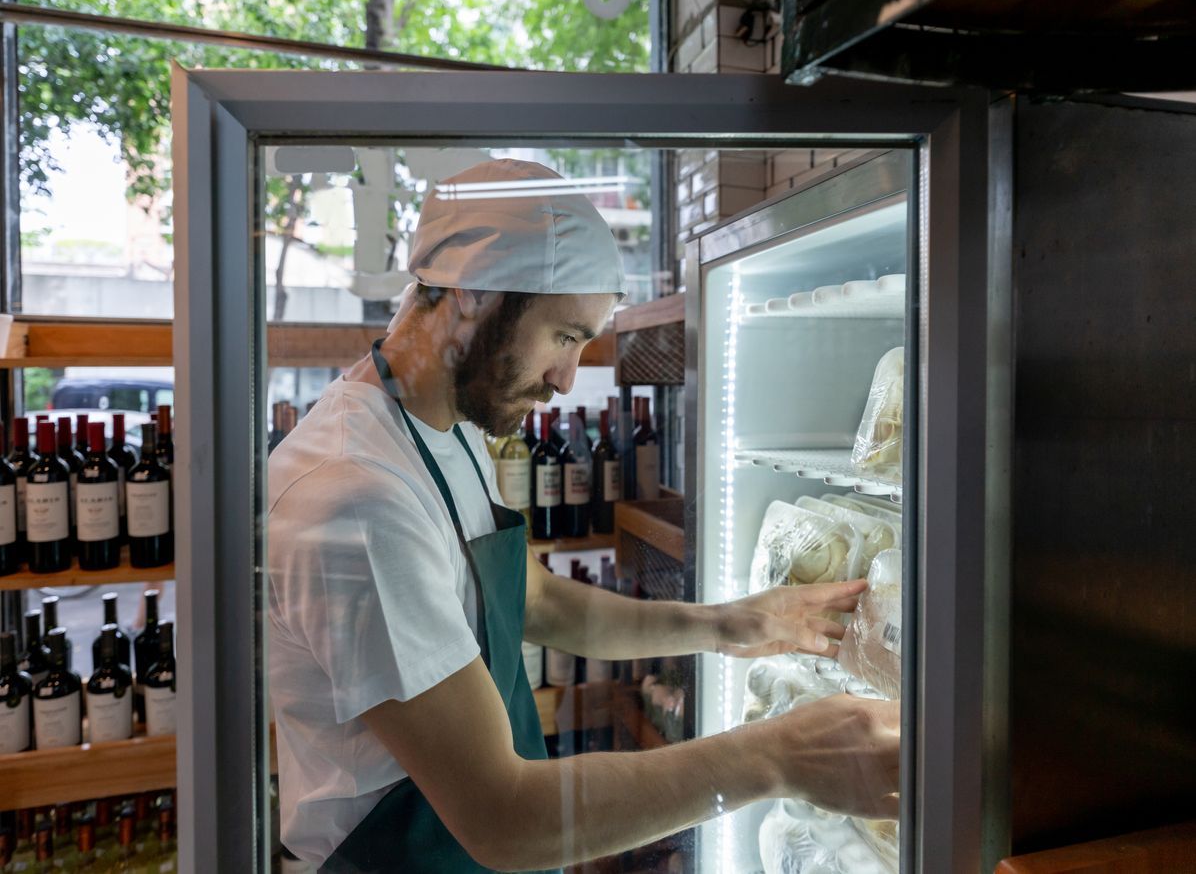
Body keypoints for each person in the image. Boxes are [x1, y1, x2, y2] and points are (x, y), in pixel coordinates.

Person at [267, 159, 899, 872]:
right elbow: (505, 817)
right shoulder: (358, 496)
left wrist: (727, 625)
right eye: (565, 337)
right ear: (472, 300)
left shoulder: (448, 428)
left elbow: (530, 600)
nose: (568, 379)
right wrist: (777, 757)